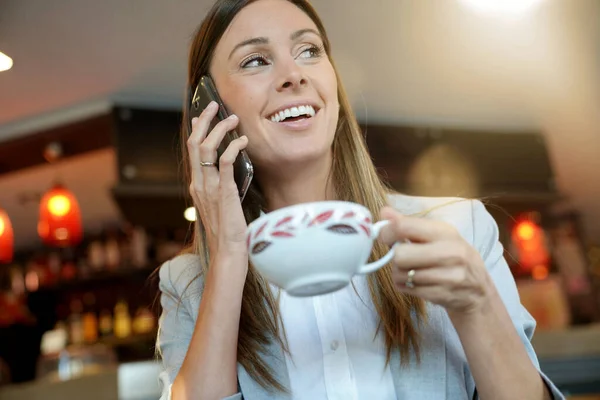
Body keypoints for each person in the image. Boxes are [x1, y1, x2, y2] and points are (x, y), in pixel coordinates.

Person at [156, 0, 565, 399]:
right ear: (209, 111)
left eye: (309, 50)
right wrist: (229, 257)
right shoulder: (188, 284)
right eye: (256, 60)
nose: (293, 74)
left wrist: (477, 306)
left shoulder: (459, 228)